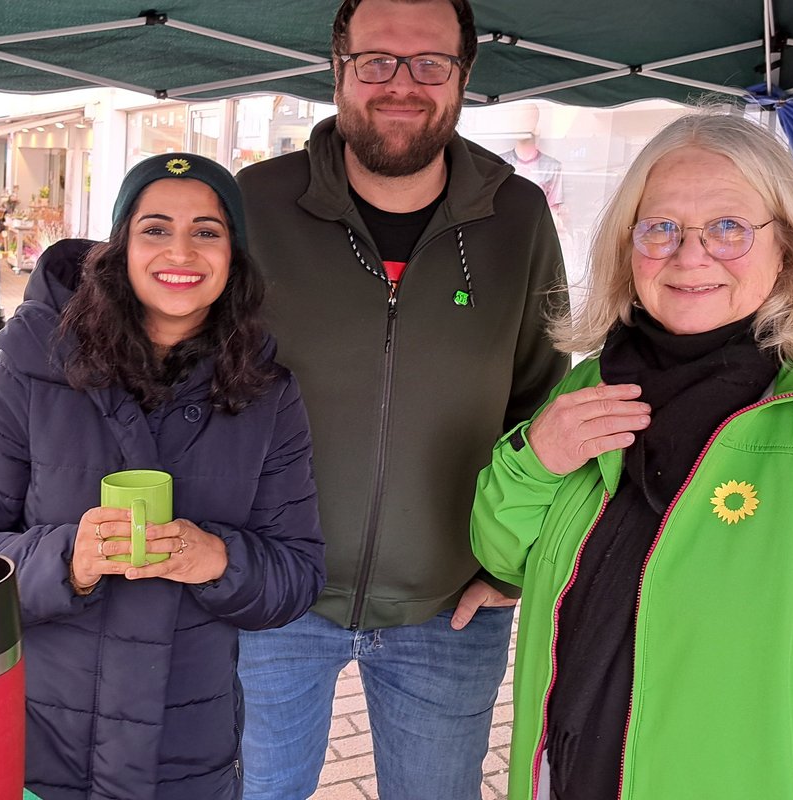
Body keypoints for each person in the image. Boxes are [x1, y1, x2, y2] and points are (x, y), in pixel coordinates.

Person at [471, 111, 793, 800]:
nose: (689, 255)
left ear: (787, 245)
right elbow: (505, 553)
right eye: (660, 227)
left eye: (728, 227)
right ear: (626, 250)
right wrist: (534, 459)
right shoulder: (592, 385)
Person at [0, 152, 326, 800]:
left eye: (206, 231)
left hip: (190, 758)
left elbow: (299, 573)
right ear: (120, 247)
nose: (180, 250)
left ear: (234, 256)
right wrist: (67, 557)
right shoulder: (28, 376)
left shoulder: (265, 395)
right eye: (155, 228)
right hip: (36, 752)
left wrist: (220, 559)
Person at [234, 0, 569, 797]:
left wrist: (512, 566)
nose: (402, 85)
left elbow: (542, 405)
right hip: (271, 600)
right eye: (377, 61)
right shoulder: (252, 205)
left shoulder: (517, 217)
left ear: (464, 76)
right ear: (338, 69)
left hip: (452, 611)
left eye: (430, 63)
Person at [499, 103, 565, 219]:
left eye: (526, 118)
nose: (519, 124)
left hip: (536, 230)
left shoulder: (551, 167)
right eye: (516, 119)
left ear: (536, 123)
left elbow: (553, 212)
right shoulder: (500, 162)